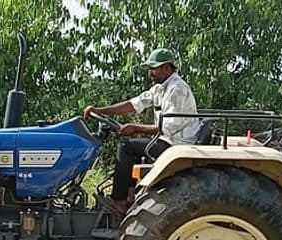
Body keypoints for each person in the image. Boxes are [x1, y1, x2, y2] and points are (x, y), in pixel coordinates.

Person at [83, 48, 199, 215]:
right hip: (168, 139)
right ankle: (131, 194)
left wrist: (135, 128)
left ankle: (120, 201)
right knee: (133, 147)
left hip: (176, 144)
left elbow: (168, 127)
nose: (150, 73)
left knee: (126, 147)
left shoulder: (177, 89)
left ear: (167, 68)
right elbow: (134, 104)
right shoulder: (160, 88)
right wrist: (101, 111)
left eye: (154, 68)